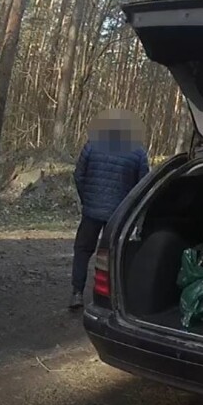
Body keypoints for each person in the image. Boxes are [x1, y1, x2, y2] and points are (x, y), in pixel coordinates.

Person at [69, 109, 149, 309]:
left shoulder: (92, 146)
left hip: (92, 211)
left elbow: (79, 175)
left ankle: (77, 293)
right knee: (113, 254)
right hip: (119, 214)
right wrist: (133, 213)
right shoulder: (138, 152)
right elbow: (143, 186)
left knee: (82, 249)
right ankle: (109, 297)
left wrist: (86, 199)